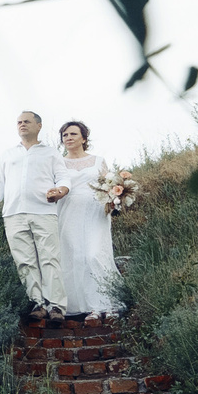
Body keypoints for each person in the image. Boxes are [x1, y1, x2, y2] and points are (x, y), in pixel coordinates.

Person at [0, 109, 68, 320]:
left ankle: (56, 307)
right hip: (13, 214)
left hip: (44, 211)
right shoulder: (8, 154)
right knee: (24, 260)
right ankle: (37, 304)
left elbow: (63, 178)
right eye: (19, 122)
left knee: (50, 258)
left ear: (39, 126)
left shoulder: (50, 153)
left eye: (27, 121)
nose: (22, 124)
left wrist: (60, 191)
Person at [54, 119, 121, 316]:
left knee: (94, 253)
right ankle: (90, 307)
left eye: (73, 134)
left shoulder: (98, 161)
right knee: (76, 256)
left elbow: (110, 184)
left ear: (84, 138)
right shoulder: (59, 163)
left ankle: (108, 303)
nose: (68, 138)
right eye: (65, 135)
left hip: (95, 210)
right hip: (69, 211)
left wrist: (116, 200)